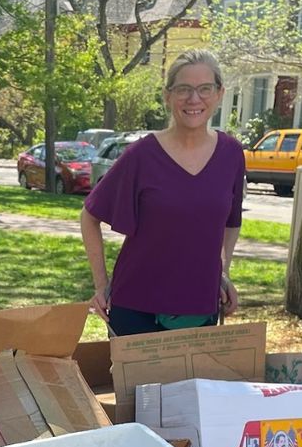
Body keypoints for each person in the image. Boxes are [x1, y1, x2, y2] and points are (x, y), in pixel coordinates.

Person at [80, 49, 244, 337]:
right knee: (135, 385)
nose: (194, 99)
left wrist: (222, 273)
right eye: (183, 89)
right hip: (136, 308)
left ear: (219, 94)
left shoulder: (231, 154)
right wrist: (100, 284)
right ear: (168, 96)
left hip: (199, 307)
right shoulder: (141, 155)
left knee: (193, 384)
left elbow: (231, 222)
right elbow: (89, 215)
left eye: (205, 88)